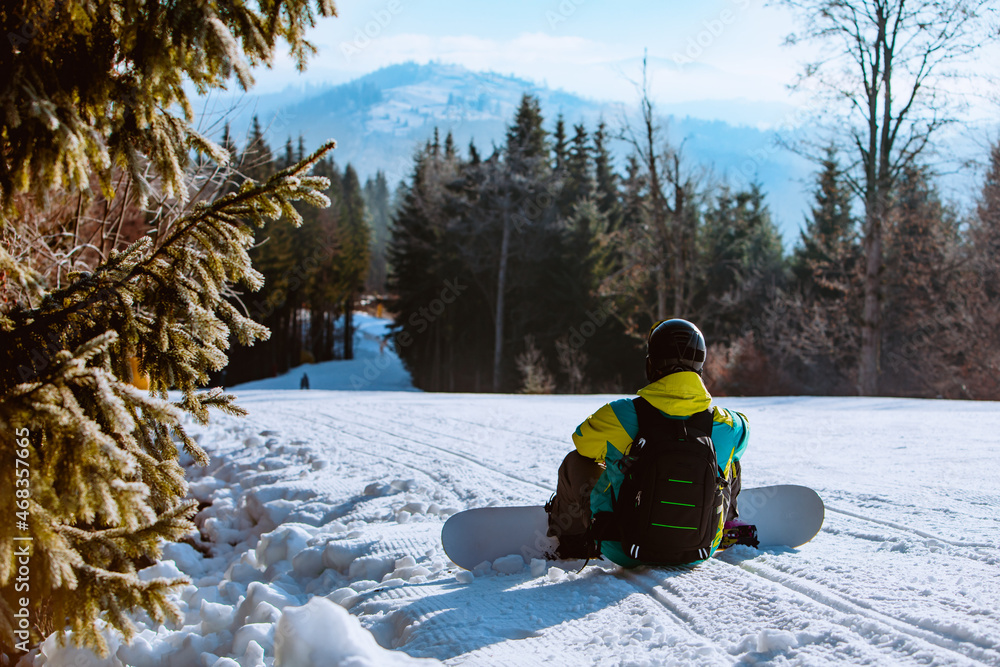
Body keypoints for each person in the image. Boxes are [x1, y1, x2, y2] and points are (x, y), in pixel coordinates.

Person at [545, 318, 750, 566]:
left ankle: (573, 543)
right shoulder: (730, 424)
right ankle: (727, 525)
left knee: (576, 461)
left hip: (623, 548)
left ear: (651, 364)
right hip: (698, 550)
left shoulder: (620, 414)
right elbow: (741, 440)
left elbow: (582, 443)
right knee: (730, 461)